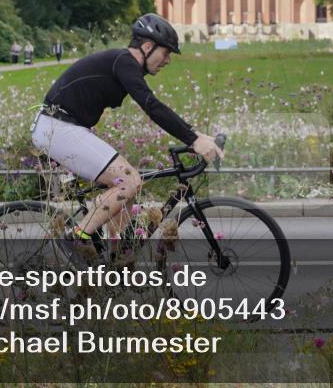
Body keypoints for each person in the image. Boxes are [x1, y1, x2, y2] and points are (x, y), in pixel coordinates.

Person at [31, 13, 223, 252]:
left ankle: (119, 263)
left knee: (127, 195)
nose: (167, 61)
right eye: (166, 53)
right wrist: (193, 139)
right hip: (57, 128)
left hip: (65, 128)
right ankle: (78, 238)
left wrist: (195, 134)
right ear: (148, 46)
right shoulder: (123, 60)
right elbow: (151, 105)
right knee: (128, 180)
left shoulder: (124, 65)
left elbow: (151, 106)